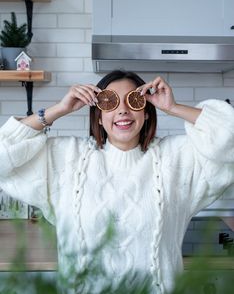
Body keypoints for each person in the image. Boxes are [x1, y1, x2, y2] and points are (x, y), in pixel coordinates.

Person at [0, 69, 234, 294]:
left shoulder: (177, 159)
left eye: (133, 101)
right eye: (110, 102)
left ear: (146, 112)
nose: (122, 110)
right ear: (99, 117)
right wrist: (58, 110)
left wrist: (173, 108)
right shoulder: (67, 158)